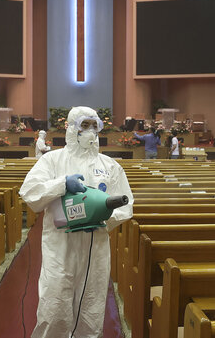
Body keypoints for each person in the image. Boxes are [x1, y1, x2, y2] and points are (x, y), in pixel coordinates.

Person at [19, 106, 134, 338]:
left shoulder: (109, 166)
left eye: (95, 126)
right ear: (71, 127)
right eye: (84, 125)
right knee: (54, 307)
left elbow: (126, 203)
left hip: (96, 247)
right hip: (60, 246)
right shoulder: (52, 160)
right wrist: (61, 184)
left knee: (91, 309)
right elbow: (30, 192)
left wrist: (102, 218)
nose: (90, 131)